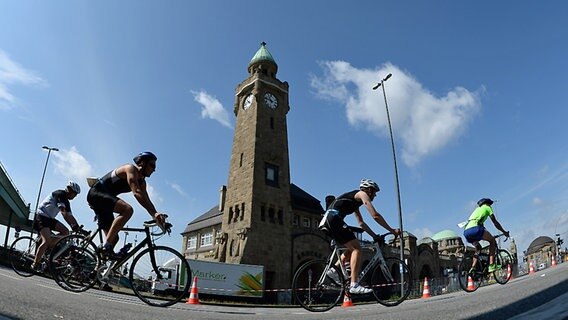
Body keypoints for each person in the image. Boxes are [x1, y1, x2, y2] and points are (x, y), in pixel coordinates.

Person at [320, 179, 401, 294]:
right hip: (333, 219)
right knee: (357, 248)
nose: (375, 195)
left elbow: (361, 223)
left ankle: (334, 270)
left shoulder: (354, 202)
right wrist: (392, 230)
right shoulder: (362, 194)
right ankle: (354, 284)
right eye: (374, 192)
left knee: (351, 247)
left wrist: (374, 236)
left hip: (328, 221)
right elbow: (375, 215)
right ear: (368, 190)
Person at [87, 152, 165, 261]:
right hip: (97, 193)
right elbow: (137, 192)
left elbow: (146, 199)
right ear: (142, 163)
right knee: (127, 210)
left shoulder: (142, 182)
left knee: (114, 238)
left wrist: (156, 215)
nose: (154, 169)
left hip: (104, 200)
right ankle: (106, 248)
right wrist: (154, 214)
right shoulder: (130, 169)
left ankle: (98, 268)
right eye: (152, 165)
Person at [32, 181, 82, 271]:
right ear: (69, 190)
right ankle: (35, 263)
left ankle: (49, 245)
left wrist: (77, 227)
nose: (75, 196)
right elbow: (64, 213)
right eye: (74, 194)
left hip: (49, 218)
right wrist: (74, 226)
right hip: (41, 216)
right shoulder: (60, 194)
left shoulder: (67, 202)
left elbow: (70, 216)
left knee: (66, 232)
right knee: (46, 240)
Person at [463, 198, 510, 273]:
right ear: (488, 203)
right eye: (490, 205)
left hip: (466, 232)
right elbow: (495, 223)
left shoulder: (477, 210)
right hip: (475, 229)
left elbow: (481, 226)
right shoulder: (487, 208)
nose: (491, 206)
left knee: (478, 249)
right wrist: (504, 232)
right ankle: (491, 265)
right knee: (492, 241)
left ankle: (473, 268)